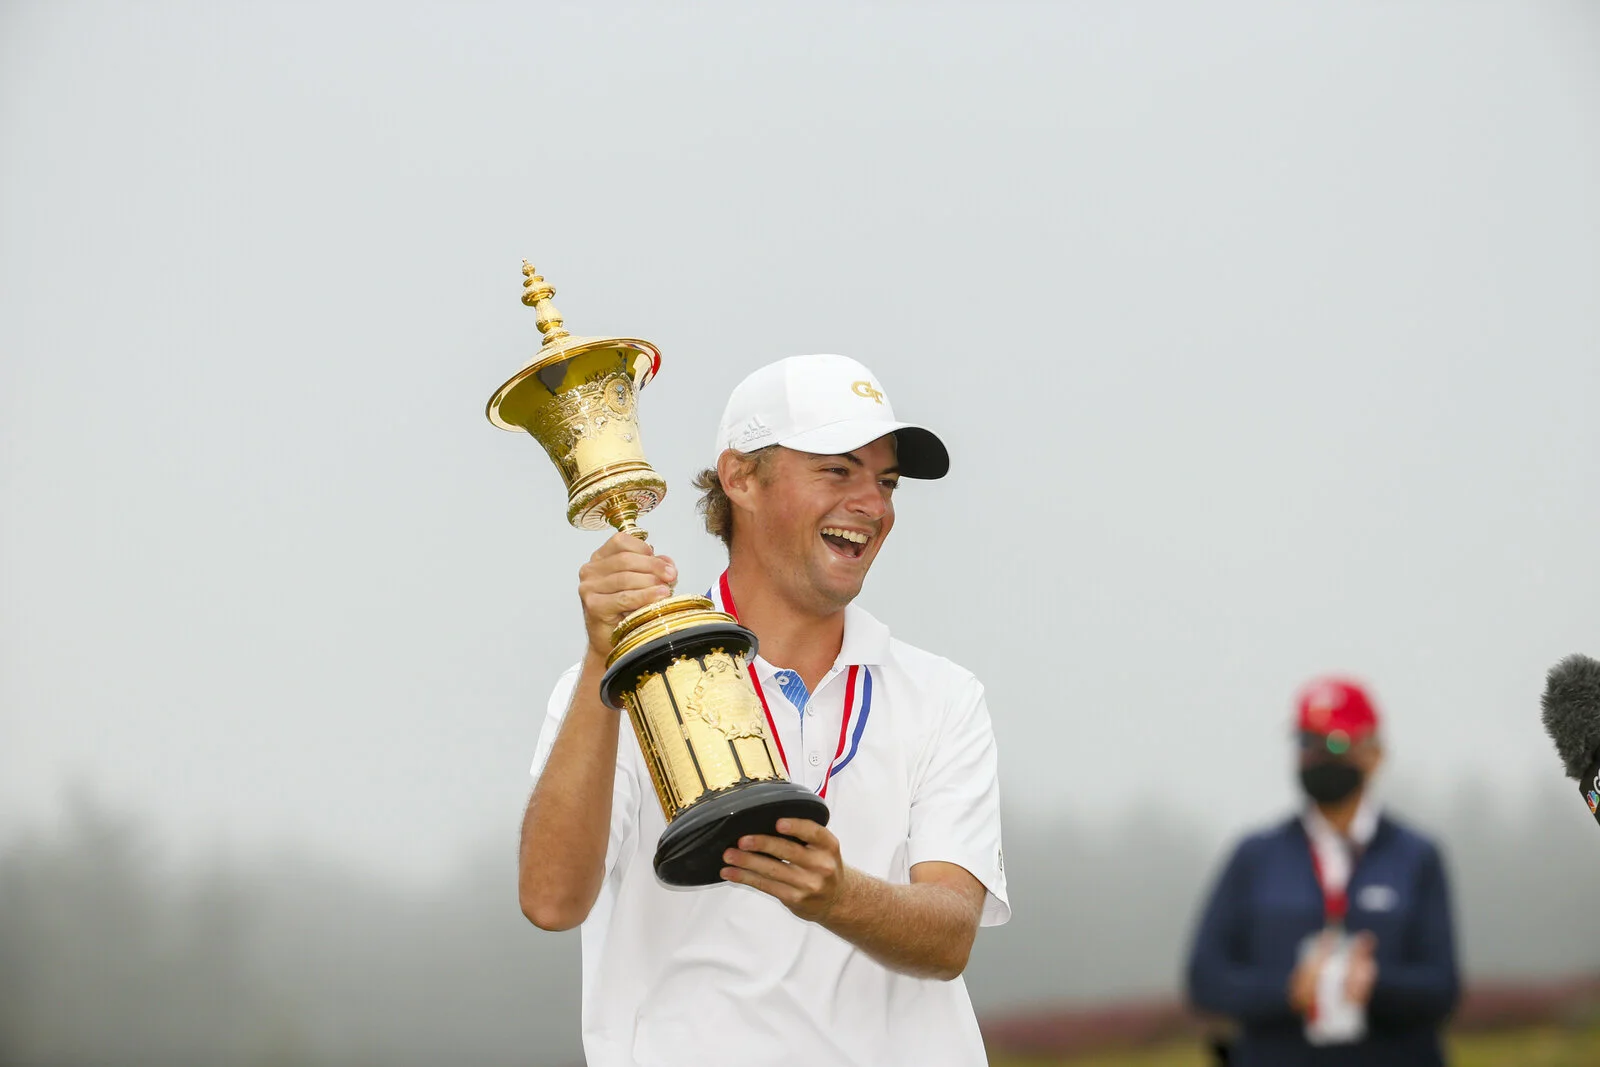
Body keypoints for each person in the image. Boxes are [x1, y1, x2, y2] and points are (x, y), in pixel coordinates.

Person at [517, 353, 1009, 1067]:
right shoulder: (614, 687)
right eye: (838, 471)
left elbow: (949, 937)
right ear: (741, 478)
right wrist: (606, 660)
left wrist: (838, 895)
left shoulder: (942, 693)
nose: (873, 504)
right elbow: (552, 901)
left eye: (887, 480)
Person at [1186, 677, 1459, 1066]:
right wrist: (1288, 991)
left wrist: (1376, 987)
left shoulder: (1415, 857)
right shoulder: (1255, 857)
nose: (1317, 757)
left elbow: (1442, 989)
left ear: (1374, 753)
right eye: (1305, 743)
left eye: (1333, 743)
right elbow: (1205, 980)